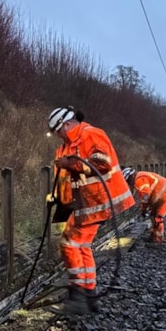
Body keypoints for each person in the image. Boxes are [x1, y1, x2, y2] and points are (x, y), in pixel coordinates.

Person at [48, 106, 135, 316]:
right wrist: (57, 198)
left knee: (70, 244)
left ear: (67, 125)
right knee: (82, 246)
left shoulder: (91, 134)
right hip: (84, 205)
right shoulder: (65, 147)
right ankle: (89, 296)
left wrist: (71, 164)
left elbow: (102, 163)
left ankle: (77, 298)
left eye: (58, 131)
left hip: (99, 201)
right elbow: (64, 178)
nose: (58, 136)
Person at [124, 168, 166, 243]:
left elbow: (145, 195)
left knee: (158, 216)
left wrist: (145, 208)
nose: (129, 183)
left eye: (128, 181)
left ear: (130, 177)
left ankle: (158, 239)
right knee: (153, 215)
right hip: (162, 194)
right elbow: (144, 196)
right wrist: (144, 209)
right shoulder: (140, 177)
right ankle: (154, 235)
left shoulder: (139, 179)